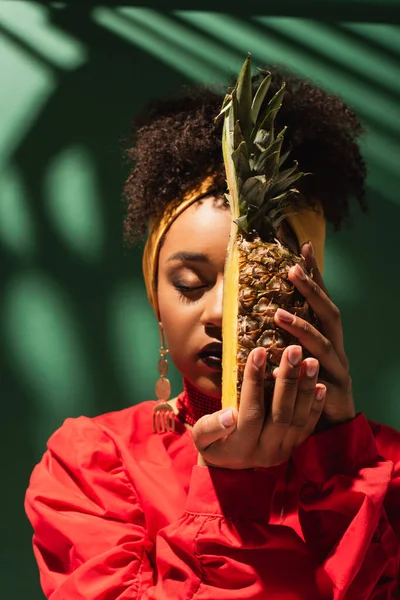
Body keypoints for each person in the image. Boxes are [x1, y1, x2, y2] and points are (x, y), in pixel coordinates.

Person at [25, 67, 400, 599]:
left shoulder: (385, 467)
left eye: (258, 283)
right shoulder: (90, 465)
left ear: (311, 295)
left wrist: (342, 460)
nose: (225, 311)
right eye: (190, 283)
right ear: (156, 301)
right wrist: (234, 491)